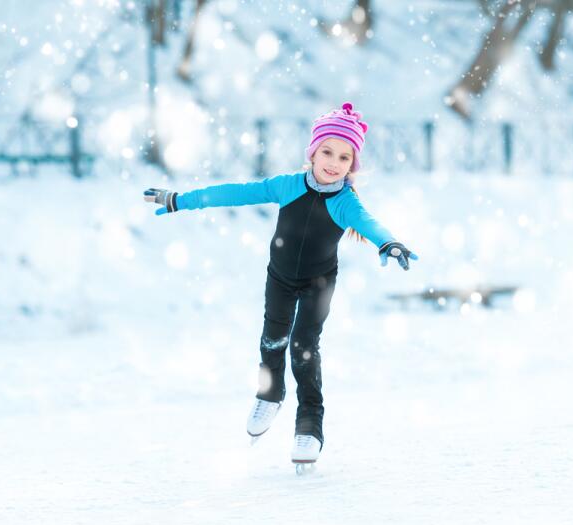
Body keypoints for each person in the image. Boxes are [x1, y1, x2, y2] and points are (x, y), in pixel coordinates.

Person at [144, 102, 418, 467]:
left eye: (343, 157)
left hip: (319, 284)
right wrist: (183, 200)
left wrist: (389, 242)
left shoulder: (345, 203)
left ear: (352, 166)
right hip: (281, 278)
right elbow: (236, 192)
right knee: (272, 338)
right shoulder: (288, 186)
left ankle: (308, 427)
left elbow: (370, 225)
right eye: (327, 152)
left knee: (304, 347)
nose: (333, 162)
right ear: (313, 152)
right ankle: (270, 395)